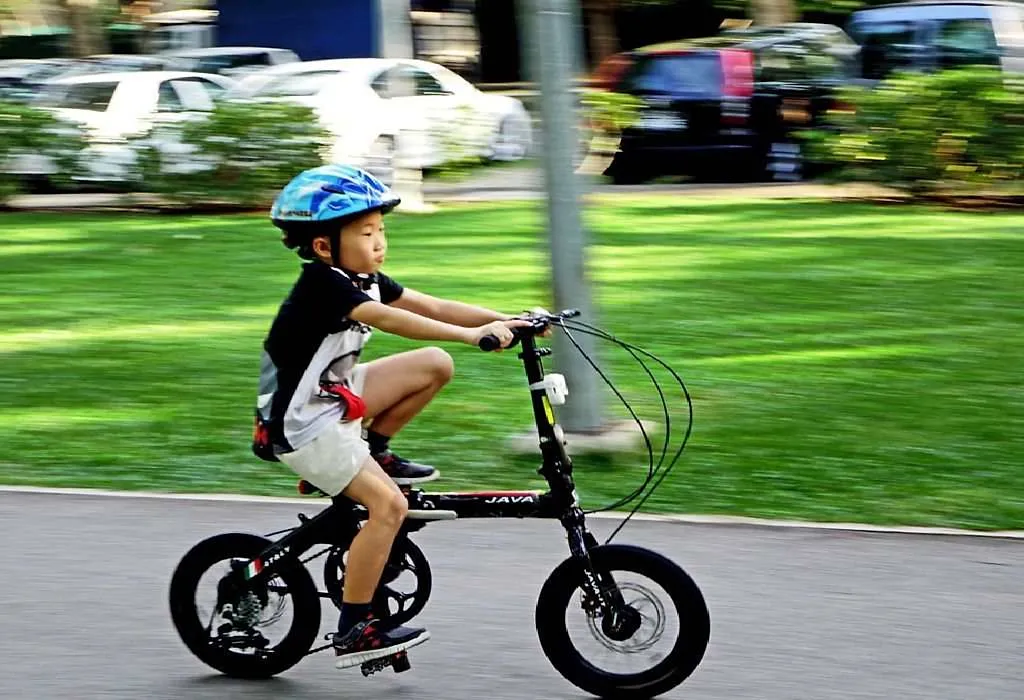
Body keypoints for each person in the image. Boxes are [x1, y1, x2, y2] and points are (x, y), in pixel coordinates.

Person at [251, 164, 532, 669]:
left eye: (381, 230)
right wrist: (474, 337)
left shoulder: (362, 277)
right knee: (389, 509)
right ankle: (356, 627)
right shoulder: (325, 285)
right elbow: (392, 319)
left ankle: (373, 450)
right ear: (322, 246)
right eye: (366, 232)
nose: (380, 241)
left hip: (332, 399)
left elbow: (435, 305)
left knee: (434, 365)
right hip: (303, 424)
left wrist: (507, 317)